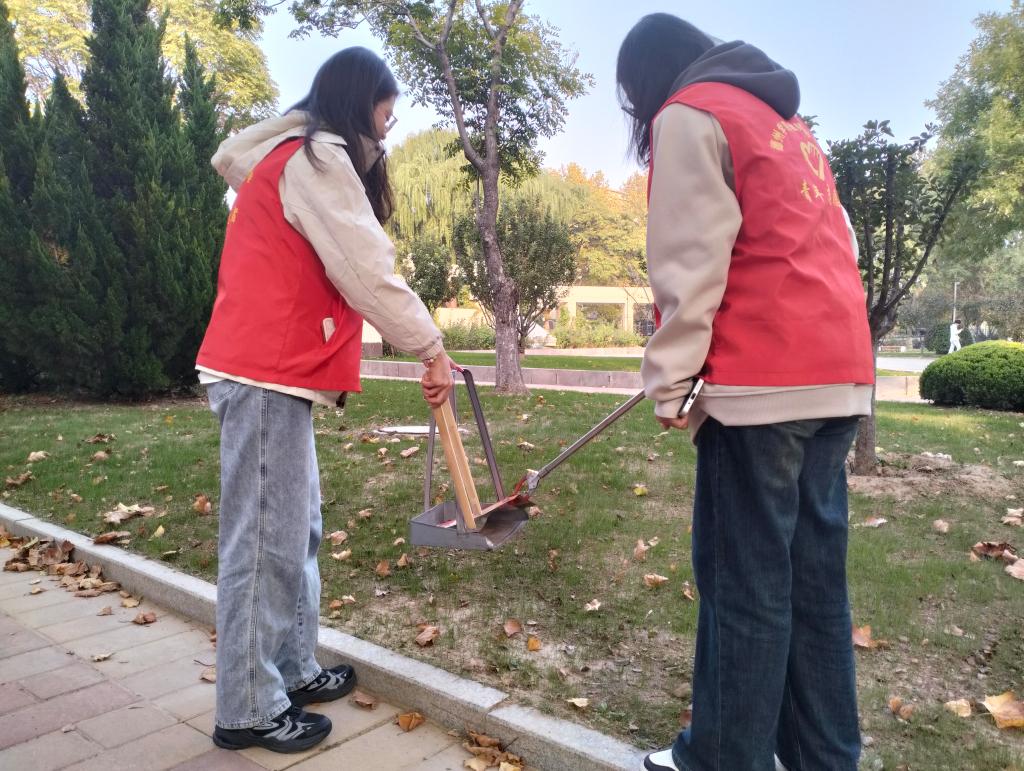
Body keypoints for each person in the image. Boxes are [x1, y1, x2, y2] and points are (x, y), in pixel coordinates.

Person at [617, 15, 875, 771]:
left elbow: (690, 260)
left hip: (762, 383)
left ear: (647, 77)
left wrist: (671, 381)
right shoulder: (790, 127)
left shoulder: (690, 113)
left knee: (746, 588)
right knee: (816, 590)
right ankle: (825, 759)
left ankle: (720, 759)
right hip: (837, 376)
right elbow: (839, 247)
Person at [194, 47, 454, 754]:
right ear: (357, 102)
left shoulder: (300, 158)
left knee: (296, 530)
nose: (387, 133)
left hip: (275, 374)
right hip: (263, 373)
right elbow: (367, 268)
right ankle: (248, 707)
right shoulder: (314, 159)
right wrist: (430, 347)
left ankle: (291, 666)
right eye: (385, 118)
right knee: (262, 545)